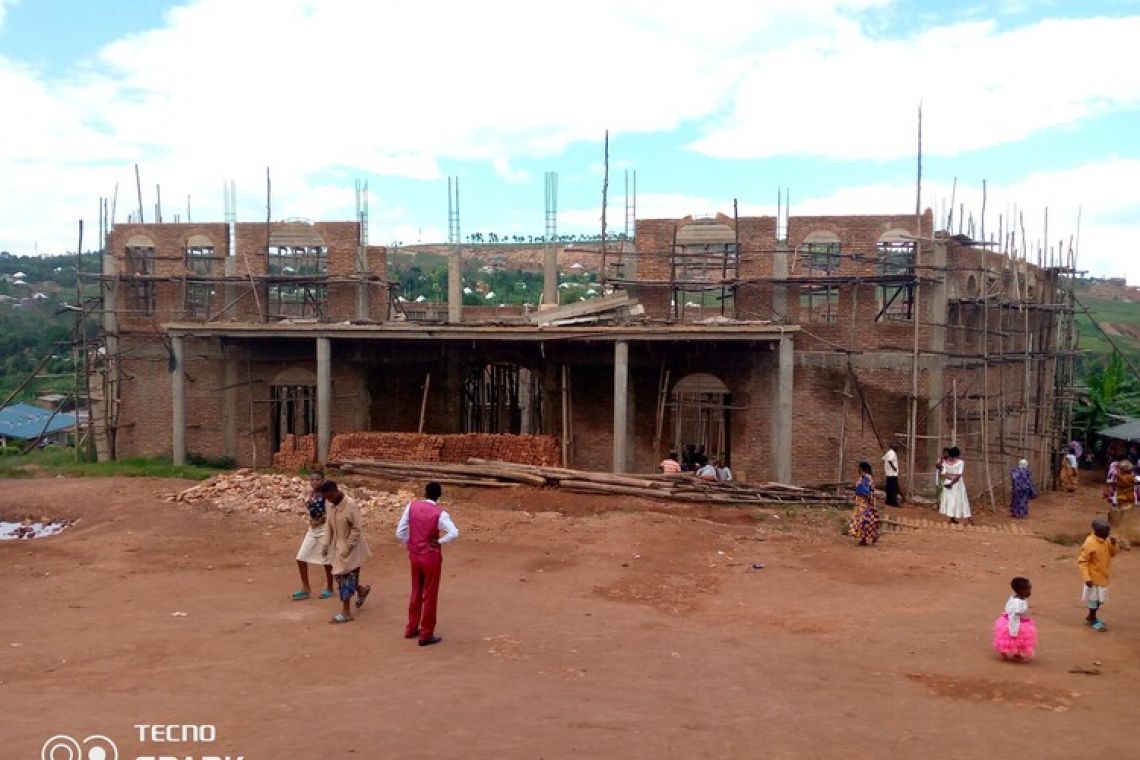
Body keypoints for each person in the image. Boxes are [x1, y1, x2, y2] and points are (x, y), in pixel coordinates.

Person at [396, 481, 459, 647]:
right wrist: (439, 541)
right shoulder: (440, 513)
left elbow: (400, 532)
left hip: (415, 555)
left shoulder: (412, 506)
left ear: (425, 493)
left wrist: (410, 543)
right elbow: (454, 533)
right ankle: (426, 633)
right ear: (439, 495)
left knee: (416, 590)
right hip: (430, 557)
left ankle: (411, 628)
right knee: (430, 594)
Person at [323, 480, 372, 624]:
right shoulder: (330, 505)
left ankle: (346, 612)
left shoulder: (350, 505)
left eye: (329, 497)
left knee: (345, 578)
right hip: (339, 547)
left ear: (336, 491)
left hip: (352, 547)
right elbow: (329, 525)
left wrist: (348, 547)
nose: (328, 500)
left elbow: (357, 529)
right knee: (342, 576)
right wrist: (326, 544)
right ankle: (361, 590)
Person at [291, 470, 335, 601]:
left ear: (323, 480)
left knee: (326, 560)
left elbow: (331, 513)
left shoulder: (327, 494)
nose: (314, 482)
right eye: (312, 480)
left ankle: (330, 588)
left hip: (325, 529)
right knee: (301, 557)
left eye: (317, 479)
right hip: (312, 529)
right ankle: (305, 588)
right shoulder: (312, 494)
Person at [1079, 518, 1120, 632]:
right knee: (1093, 600)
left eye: (1108, 531)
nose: (1108, 533)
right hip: (1093, 577)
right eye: (1106, 531)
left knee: (1100, 600)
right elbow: (1082, 561)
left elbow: (1114, 553)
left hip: (1103, 576)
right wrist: (1087, 578)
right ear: (1097, 531)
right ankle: (1093, 619)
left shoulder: (1106, 540)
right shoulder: (1090, 543)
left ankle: (1091, 616)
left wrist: (1114, 544)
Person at [992, 577, 1037, 662]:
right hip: (1016, 623)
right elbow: (1014, 615)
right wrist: (1014, 629)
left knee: (1008, 639)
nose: (1030, 592)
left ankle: (1007, 652)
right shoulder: (1018, 603)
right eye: (1028, 590)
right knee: (1018, 639)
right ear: (1021, 590)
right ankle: (1017, 654)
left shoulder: (1013, 598)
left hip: (1008, 621)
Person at [848, 461, 880, 546]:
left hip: (865, 503)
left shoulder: (867, 478)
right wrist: (855, 496)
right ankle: (864, 539)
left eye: (858, 467)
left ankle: (874, 536)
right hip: (860, 502)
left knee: (865, 520)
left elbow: (868, 490)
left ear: (862, 468)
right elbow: (859, 489)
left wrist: (865, 496)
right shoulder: (862, 478)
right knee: (862, 521)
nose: (857, 469)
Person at [939, 446, 972, 525]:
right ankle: (969, 519)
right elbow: (959, 475)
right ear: (957, 454)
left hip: (948, 483)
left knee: (951, 500)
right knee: (963, 500)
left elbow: (943, 473)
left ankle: (952, 518)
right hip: (958, 484)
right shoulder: (960, 462)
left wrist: (949, 479)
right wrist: (952, 482)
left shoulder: (945, 462)